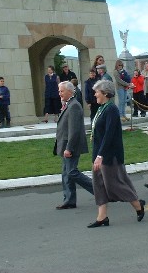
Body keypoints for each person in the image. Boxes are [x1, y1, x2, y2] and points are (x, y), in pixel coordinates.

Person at [88, 80, 145, 227]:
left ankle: (138, 205)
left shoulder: (111, 109)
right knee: (98, 185)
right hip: (98, 153)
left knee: (114, 185)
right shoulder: (102, 108)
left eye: (97, 92)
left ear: (105, 93)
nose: (95, 94)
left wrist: (100, 156)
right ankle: (102, 217)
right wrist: (96, 155)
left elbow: (109, 135)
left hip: (109, 154)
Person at [55, 81, 93, 209]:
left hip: (71, 146)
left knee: (71, 172)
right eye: (59, 91)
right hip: (65, 146)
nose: (59, 93)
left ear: (70, 92)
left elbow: (74, 130)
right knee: (66, 173)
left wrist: (69, 148)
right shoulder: (68, 104)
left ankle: (100, 191)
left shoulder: (74, 106)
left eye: (62, 91)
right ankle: (69, 200)